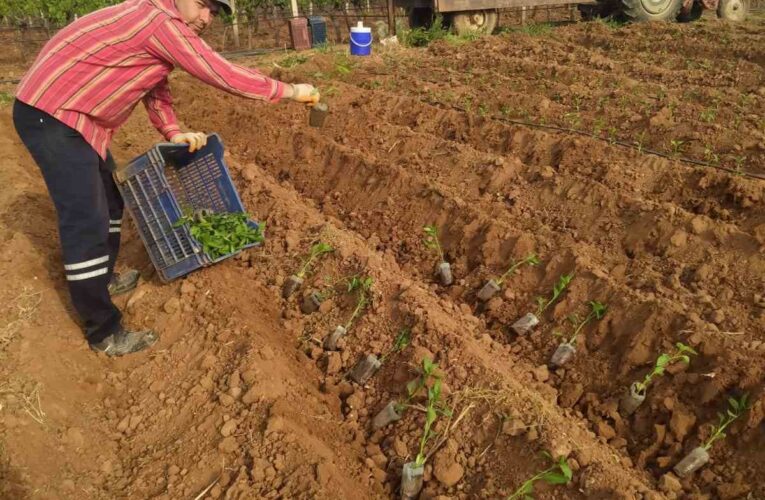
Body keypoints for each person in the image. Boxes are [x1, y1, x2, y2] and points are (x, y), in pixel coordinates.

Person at [12, 0, 319, 357]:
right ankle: (103, 331)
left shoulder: (159, 23)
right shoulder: (159, 21)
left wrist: (172, 131)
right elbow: (219, 71)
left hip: (80, 119)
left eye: (214, 13)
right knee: (86, 219)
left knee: (111, 200)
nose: (207, 18)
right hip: (52, 115)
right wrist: (291, 91)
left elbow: (154, 84)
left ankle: (103, 278)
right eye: (204, 6)